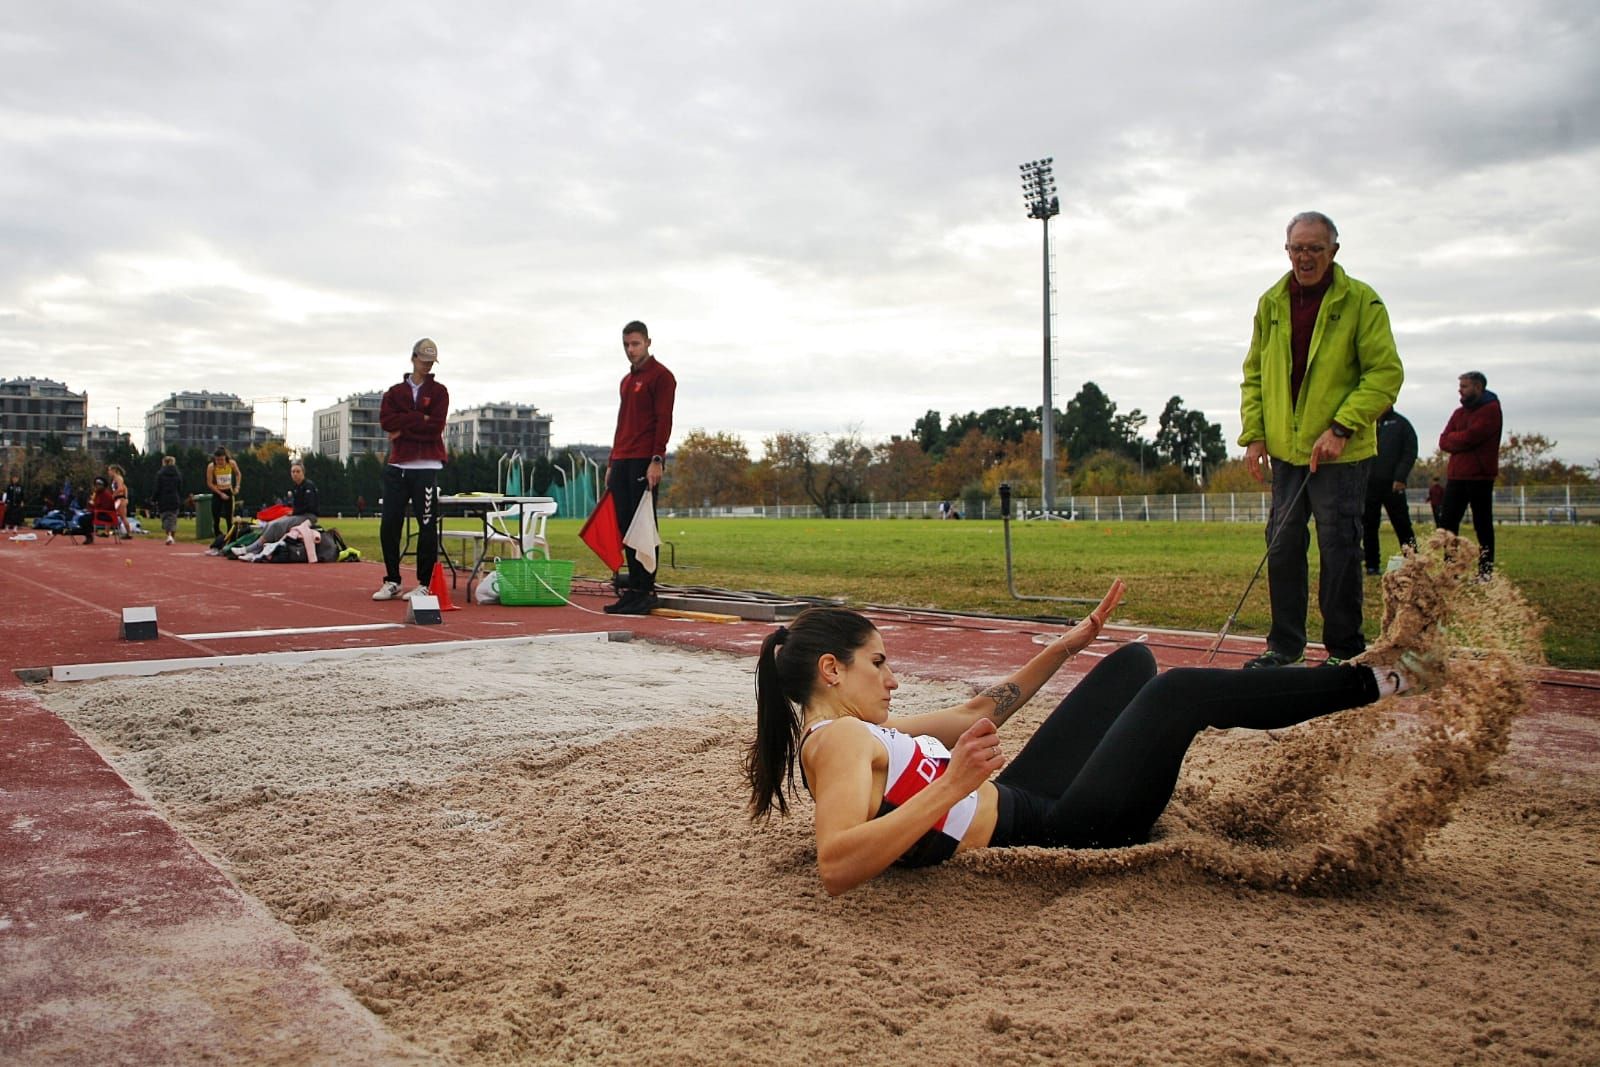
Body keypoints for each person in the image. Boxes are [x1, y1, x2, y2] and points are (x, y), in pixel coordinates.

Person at [745, 577, 1444, 896]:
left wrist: (1069, 645)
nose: (893, 679)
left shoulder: (865, 729)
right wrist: (954, 786)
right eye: (879, 663)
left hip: (1025, 794)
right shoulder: (835, 743)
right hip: (1062, 827)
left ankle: (1376, 677)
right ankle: (1377, 680)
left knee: (1132, 661)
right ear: (832, 671)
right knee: (1178, 691)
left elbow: (978, 711)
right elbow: (836, 865)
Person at [1238, 211, 1403, 667]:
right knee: (1283, 544)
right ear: (1286, 250)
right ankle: (1284, 646)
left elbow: (1385, 374)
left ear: (1333, 251)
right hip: (1287, 455)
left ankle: (1344, 650)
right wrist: (1255, 436)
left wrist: (1341, 427)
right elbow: (1254, 375)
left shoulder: (1362, 302)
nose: (1305, 256)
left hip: (1341, 454)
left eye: (1315, 248)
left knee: (1340, 547)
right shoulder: (1271, 302)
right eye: (1297, 248)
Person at [604, 320, 676, 615]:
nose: (630, 350)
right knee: (624, 525)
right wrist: (611, 460)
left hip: (644, 458)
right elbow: (622, 423)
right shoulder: (625, 381)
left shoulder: (662, 377)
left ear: (648, 342)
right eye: (626, 345)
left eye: (635, 344)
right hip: (622, 457)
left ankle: (646, 589)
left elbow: (664, 419)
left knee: (642, 523)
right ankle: (633, 588)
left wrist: (657, 459)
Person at [374, 337, 449, 601]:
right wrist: (419, 419)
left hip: (427, 466)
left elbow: (435, 427)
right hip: (397, 466)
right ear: (413, 358)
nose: (427, 366)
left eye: (431, 362)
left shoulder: (439, 392)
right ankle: (392, 579)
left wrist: (403, 428)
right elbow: (386, 421)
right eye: (423, 360)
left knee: (426, 524)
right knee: (389, 524)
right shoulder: (394, 393)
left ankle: (424, 583)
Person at [1438, 371, 1503, 578]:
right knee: (1447, 523)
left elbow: (1472, 437)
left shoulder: (1491, 410)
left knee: (1482, 524)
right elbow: (1443, 440)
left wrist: (1457, 440)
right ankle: (1450, 568)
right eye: (1460, 386)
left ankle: (1485, 570)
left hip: (1480, 476)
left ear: (1478, 387)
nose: (1460, 390)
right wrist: (1459, 440)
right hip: (1456, 476)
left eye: (1464, 386)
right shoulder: (1459, 413)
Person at [1361, 406, 1419, 575]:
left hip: (1393, 485)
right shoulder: (1368, 423)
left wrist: (1400, 476)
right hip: (1369, 485)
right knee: (1369, 526)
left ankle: (1413, 562)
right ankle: (1372, 565)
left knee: (1402, 525)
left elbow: (1410, 451)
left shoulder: (1401, 424)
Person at [233, 460, 319, 557]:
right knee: (270, 524)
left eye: (298, 471)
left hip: (308, 517)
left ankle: (250, 549)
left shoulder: (308, 486)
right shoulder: (296, 487)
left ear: (303, 472)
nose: (295, 474)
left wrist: (294, 511)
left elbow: (310, 506)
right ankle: (256, 548)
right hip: (298, 514)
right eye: (293, 472)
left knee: (277, 525)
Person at [204, 447, 243, 554]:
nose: (219, 462)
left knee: (229, 519)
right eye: (217, 460)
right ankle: (218, 541)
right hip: (218, 492)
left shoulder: (231, 463)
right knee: (216, 518)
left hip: (228, 492)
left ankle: (231, 542)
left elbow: (238, 474)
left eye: (221, 459)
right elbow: (209, 483)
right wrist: (220, 493)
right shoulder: (211, 467)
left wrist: (237, 486)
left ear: (225, 458)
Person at [154, 455, 183, 545]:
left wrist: (154, 498)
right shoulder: (178, 474)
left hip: (163, 499)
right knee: (173, 517)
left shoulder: (160, 474)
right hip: (175, 498)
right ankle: (172, 536)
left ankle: (169, 535)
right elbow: (180, 487)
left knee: (165, 517)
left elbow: (157, 488)